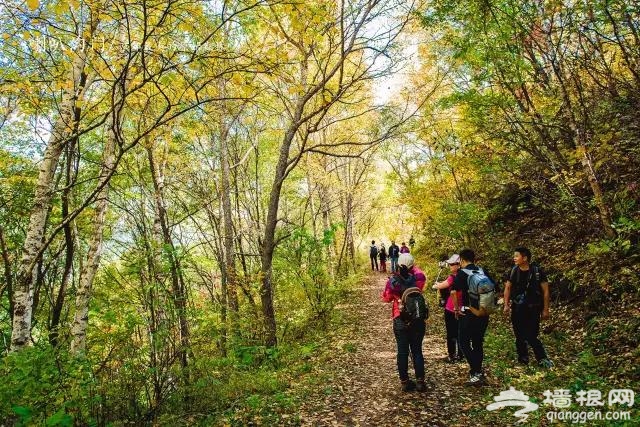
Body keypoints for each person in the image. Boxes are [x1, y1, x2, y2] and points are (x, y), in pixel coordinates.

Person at [381, 253, 427, 392]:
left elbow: (386, 298)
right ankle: (420, 382)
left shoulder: (393, 281)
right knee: (417, 350)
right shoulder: (418, 277)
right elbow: (420, 290)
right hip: (417, 317)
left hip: (399, 318)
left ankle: (405, 382)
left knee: (402, 352)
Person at [503, 247, 554, 368]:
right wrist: (506, 305)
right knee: (519, 335)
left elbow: (546, 291)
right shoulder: (513, 271)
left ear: (525, 258)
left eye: (517, 256)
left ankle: (542, 358)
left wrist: (545, 309)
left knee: (532, 335)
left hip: (533, 308)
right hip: (517, 308)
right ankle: (523, 358)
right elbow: (508, 288)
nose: (514, 258)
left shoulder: (537, 272)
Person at [451, 248, 492, 386]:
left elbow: (453, 292)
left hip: (468, 313)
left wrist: (456, 309)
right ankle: (477, 372)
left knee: (463, 342)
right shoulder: (482, 270)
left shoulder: (462, 273)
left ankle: (476, 372)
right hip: (483, 313)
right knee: (478, 342)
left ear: (462, 260)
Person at [432, 254, 463, 363]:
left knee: (451, 332)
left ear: (458, 265)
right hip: (463, 308)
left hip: (451, 308)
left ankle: (451, 355)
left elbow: (441, 286)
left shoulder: (453, 277)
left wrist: (436, 285)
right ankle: (460, 354)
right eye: (449, 264)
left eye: (452, 264)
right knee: (460, 331)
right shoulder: (464, 275)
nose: (450, 265)